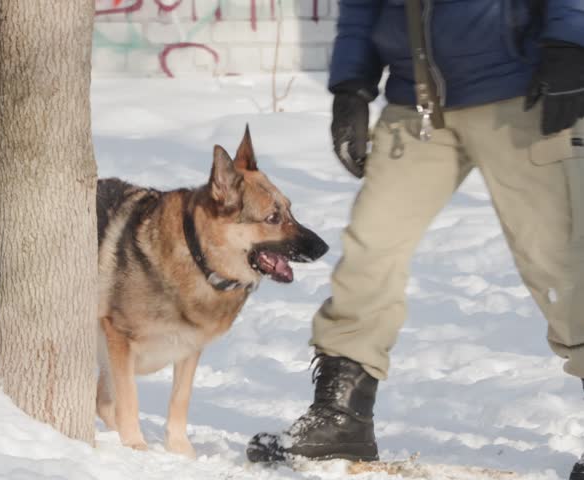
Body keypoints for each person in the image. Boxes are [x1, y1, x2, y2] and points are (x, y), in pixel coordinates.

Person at [244, 0, 584, 478]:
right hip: (418, 107)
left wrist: (571, 42)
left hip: (522, 94)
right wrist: (352, 86)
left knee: (562, 265)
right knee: (369, 251)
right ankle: (341, 418)